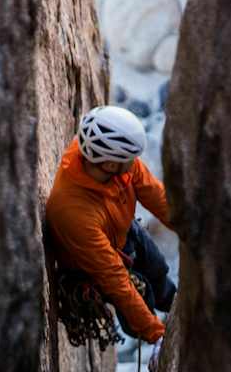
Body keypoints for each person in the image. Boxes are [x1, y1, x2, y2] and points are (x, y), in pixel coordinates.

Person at [46, 105, 177, 344]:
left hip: (122, 231)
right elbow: (114, 278)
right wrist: (156, 335)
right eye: (129, 158)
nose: (135, 162)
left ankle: (173, 303)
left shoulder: (110, 161)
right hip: (93, 264)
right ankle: (150, 328)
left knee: (157, 268)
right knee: (142, 291)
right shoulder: (73, 211)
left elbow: (157, 196)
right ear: (108, 165)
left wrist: (194, 232)